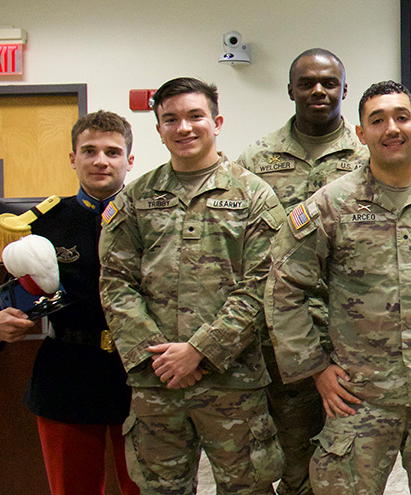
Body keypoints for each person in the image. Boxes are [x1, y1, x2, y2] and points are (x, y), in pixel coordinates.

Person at [270, 80, 411, 494]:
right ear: (360, 132)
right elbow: (284, 285)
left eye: (401, 117)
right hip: (358, 397)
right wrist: (314, 367)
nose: (392, 128)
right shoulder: (331, 204)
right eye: (378, 120)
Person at [98, 77, 284, 493]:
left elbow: (263, 285)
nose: (184, 128)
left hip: (232, 381)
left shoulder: (255, 196)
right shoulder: (135, 198)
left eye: (195, 116)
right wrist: (160, 358)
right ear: (159, 129)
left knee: (247, 488)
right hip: (156, 380)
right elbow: (116, 282)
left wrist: (200, 351)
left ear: (216, 122)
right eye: (171, 119)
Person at [0, 110, 139, 495]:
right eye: (89, 150)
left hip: (139, 377)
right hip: (68, 377)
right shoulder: (44, 223)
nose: (101, 160)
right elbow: (8, 295)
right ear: (72, 158)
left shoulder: (150, 219)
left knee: (147, 488)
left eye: (113, 152)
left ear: (130, 161)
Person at [235, 47, 367, 495]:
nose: (318, 90)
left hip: (354, 335)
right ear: (290, 89)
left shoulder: (369, 155)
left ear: (344, 90)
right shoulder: (256, 159)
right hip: (280, 337)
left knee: (350, 460)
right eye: (307, 82)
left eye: (329, 83)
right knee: (293, 460)